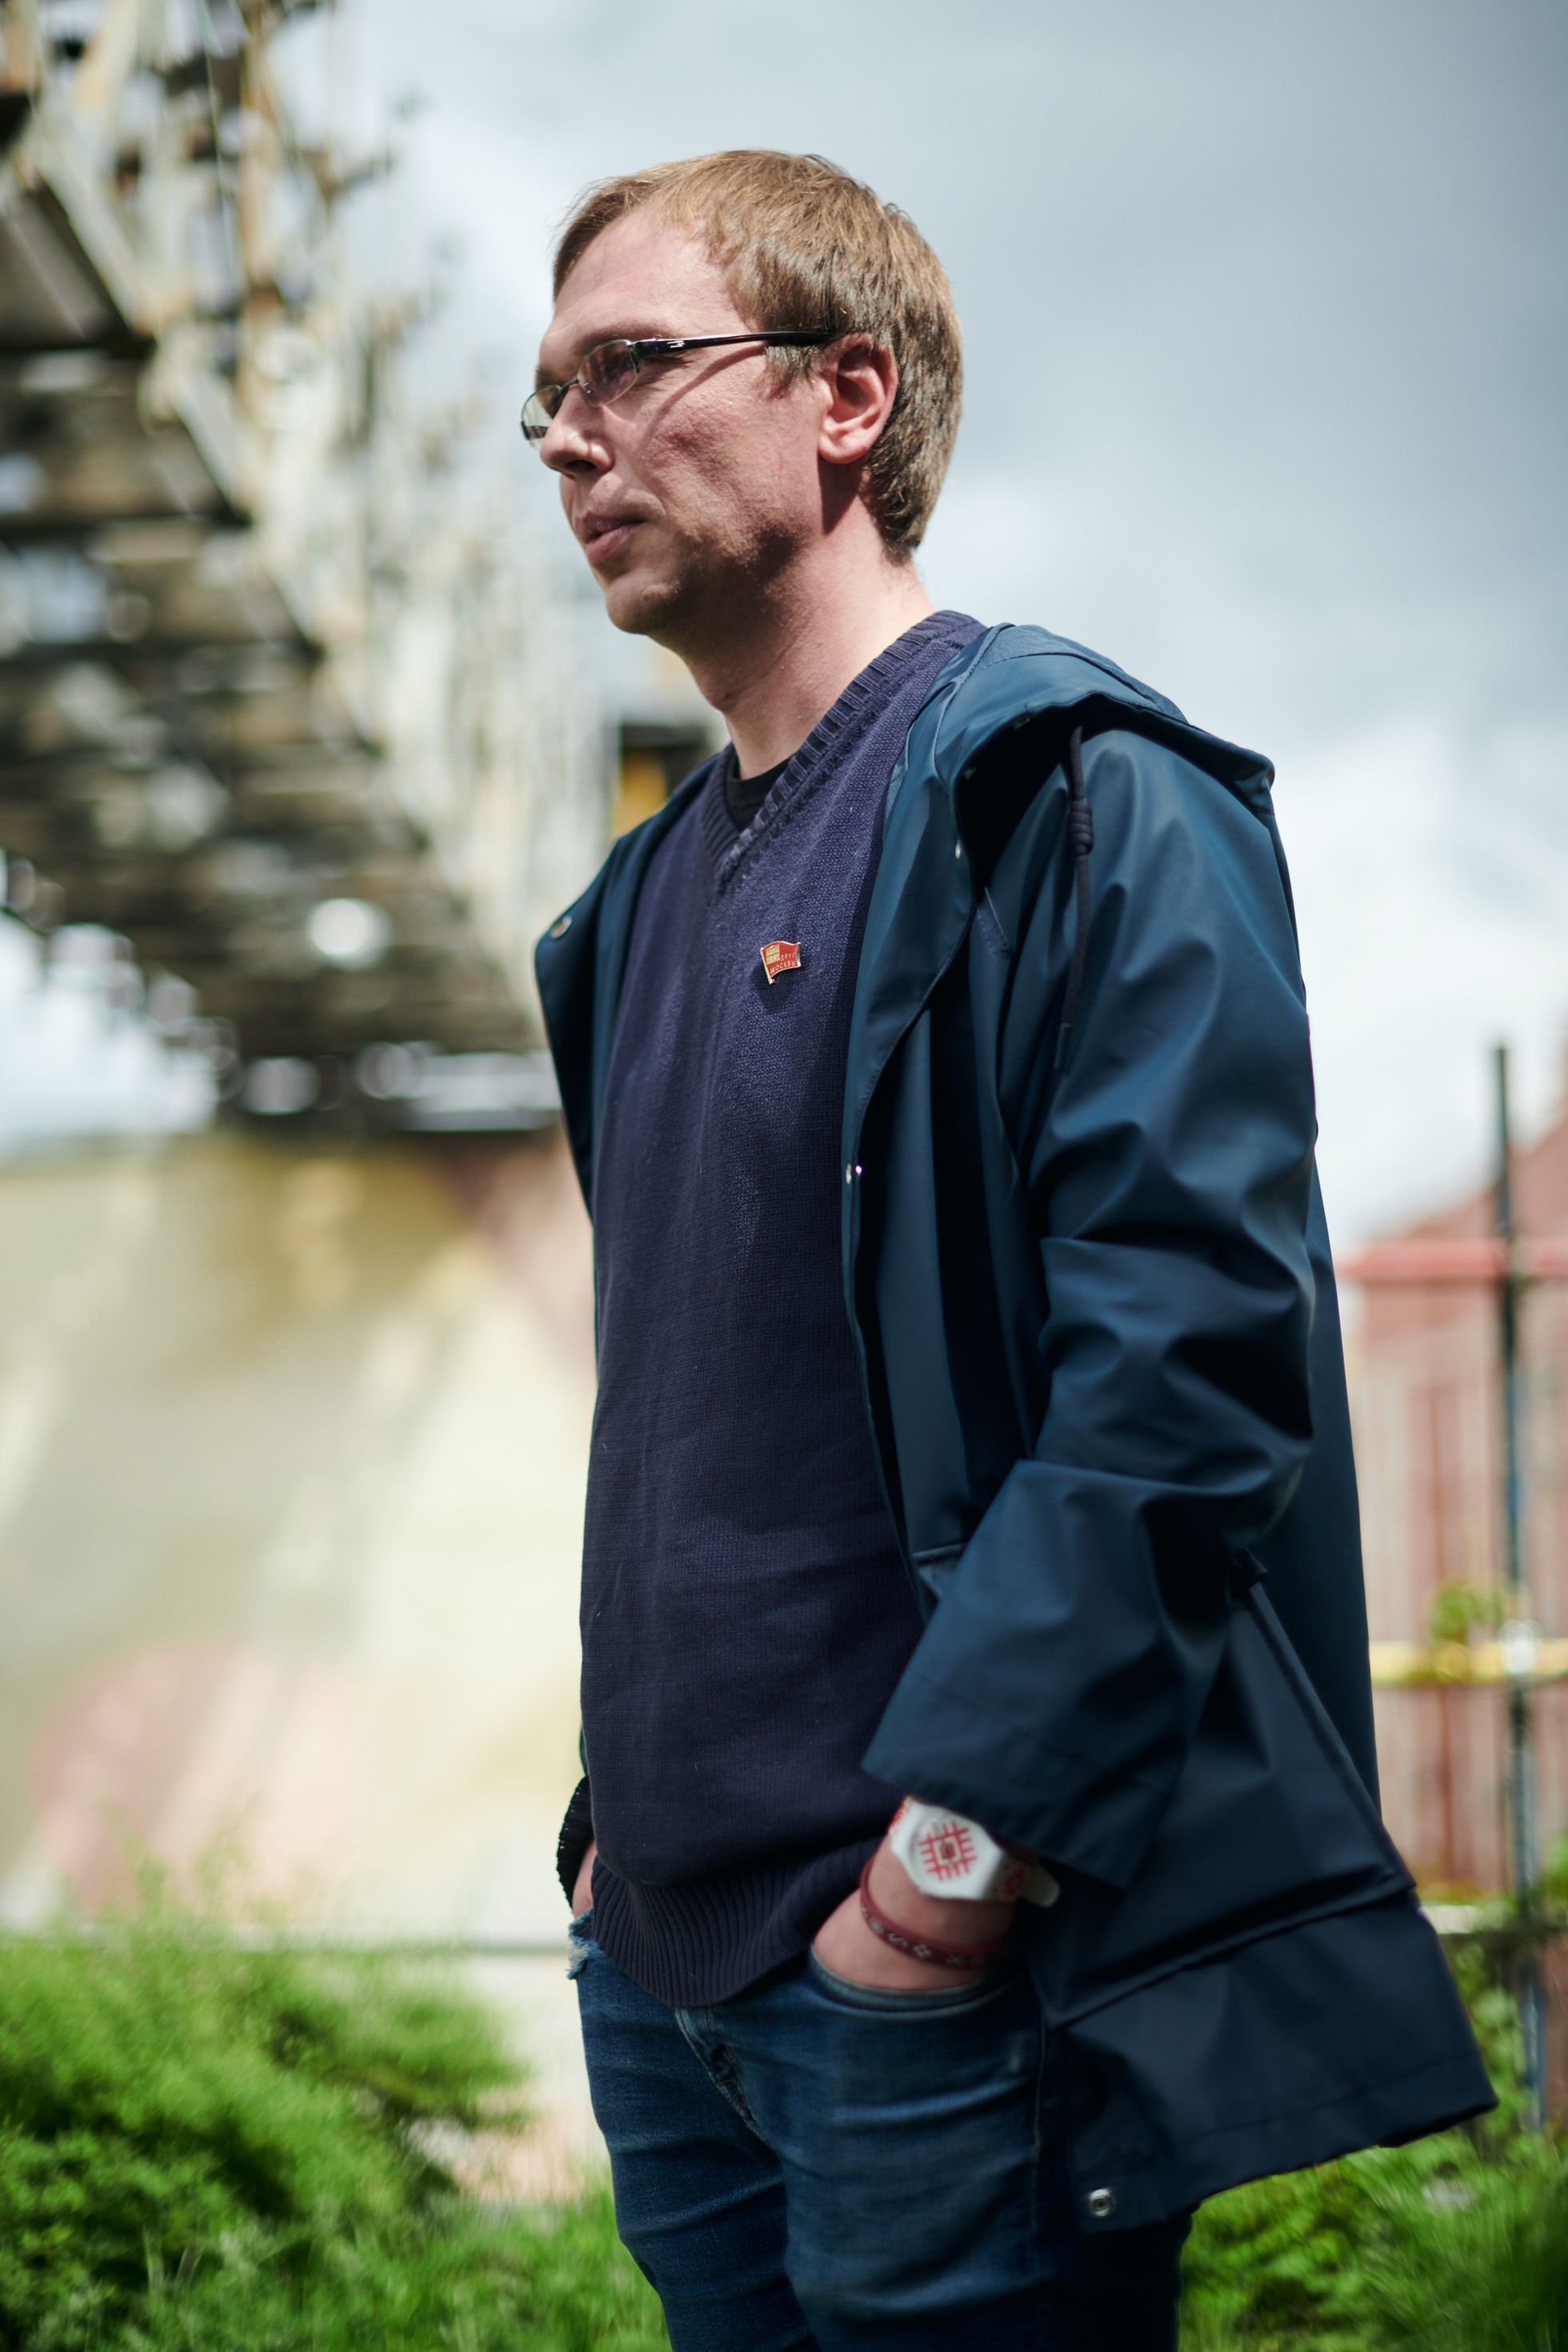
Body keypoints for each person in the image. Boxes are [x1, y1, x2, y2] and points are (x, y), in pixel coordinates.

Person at [529, 150, 1490, 2352]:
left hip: (937, 1992)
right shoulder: (634, 914)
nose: (574, 440)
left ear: (846, 394)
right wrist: (610, 1854)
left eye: (633, 367)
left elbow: (1190, 1374)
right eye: (549, 398)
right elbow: (706, 1421)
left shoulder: (1070, 788)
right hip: (669, 1980)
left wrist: (948, 1877)